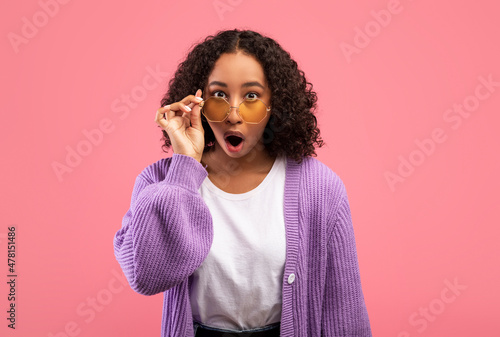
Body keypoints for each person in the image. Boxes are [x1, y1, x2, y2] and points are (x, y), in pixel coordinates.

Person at [113, 28, 372, 337]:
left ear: (274, 103)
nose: (233, 115)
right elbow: (146, 276)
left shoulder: (321, 188)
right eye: (219, 95)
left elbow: (344, 311)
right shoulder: (161, 182)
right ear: (197, 102)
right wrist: (184, 167)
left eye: (251, 96)